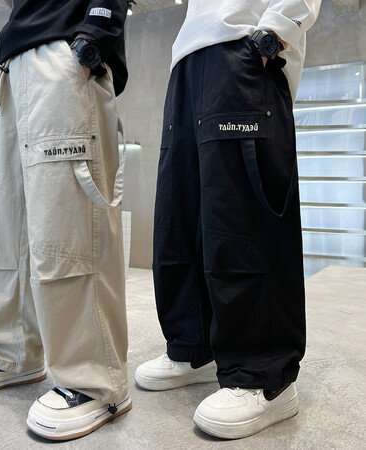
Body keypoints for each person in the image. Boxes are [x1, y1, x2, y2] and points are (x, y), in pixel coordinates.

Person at [136, 0, 321, 440]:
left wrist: (275, 32)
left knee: (242, 222)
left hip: (244, 47)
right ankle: (193, 347)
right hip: (186, 61)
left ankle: (266, 376)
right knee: (180, 218)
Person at [0, 0, 132, 441]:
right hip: (13, 63)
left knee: (68, 228)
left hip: (66, 51)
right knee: (2, 225)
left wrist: (96, 33)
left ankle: (95, 379)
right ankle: (11, 351)